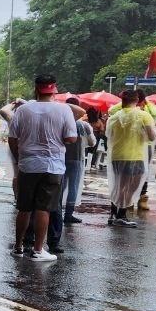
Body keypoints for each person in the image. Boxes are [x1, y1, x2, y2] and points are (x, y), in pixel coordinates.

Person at [6, 76, 77, 261]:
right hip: (52, 166)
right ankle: (38, 250)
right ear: (54, 91)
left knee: (24, 208)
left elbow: (12, 138)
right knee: (43, 209)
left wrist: (19, 156)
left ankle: (18, 246)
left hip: (27, 165)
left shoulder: (23, 110)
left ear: (36, 90)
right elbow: (71, 138)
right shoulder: (64, 109)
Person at [105, 89, 156, 227]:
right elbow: (152, 136)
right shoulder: (143, 115)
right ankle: (121, 215)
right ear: (138, 100)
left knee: (119, 185)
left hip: (117, 156)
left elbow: (108, 135)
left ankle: (113, 213)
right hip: (135, 156)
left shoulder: (114, 117)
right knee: (130, 187)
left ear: (122, 100)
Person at [61, 95, 97, 224]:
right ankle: (69, 214)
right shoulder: (83, 125)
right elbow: (92, 142)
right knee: (73, 187)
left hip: (60, 158)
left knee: (60, 186)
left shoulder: (61, 122)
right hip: (77, 159)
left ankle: (56, 212)